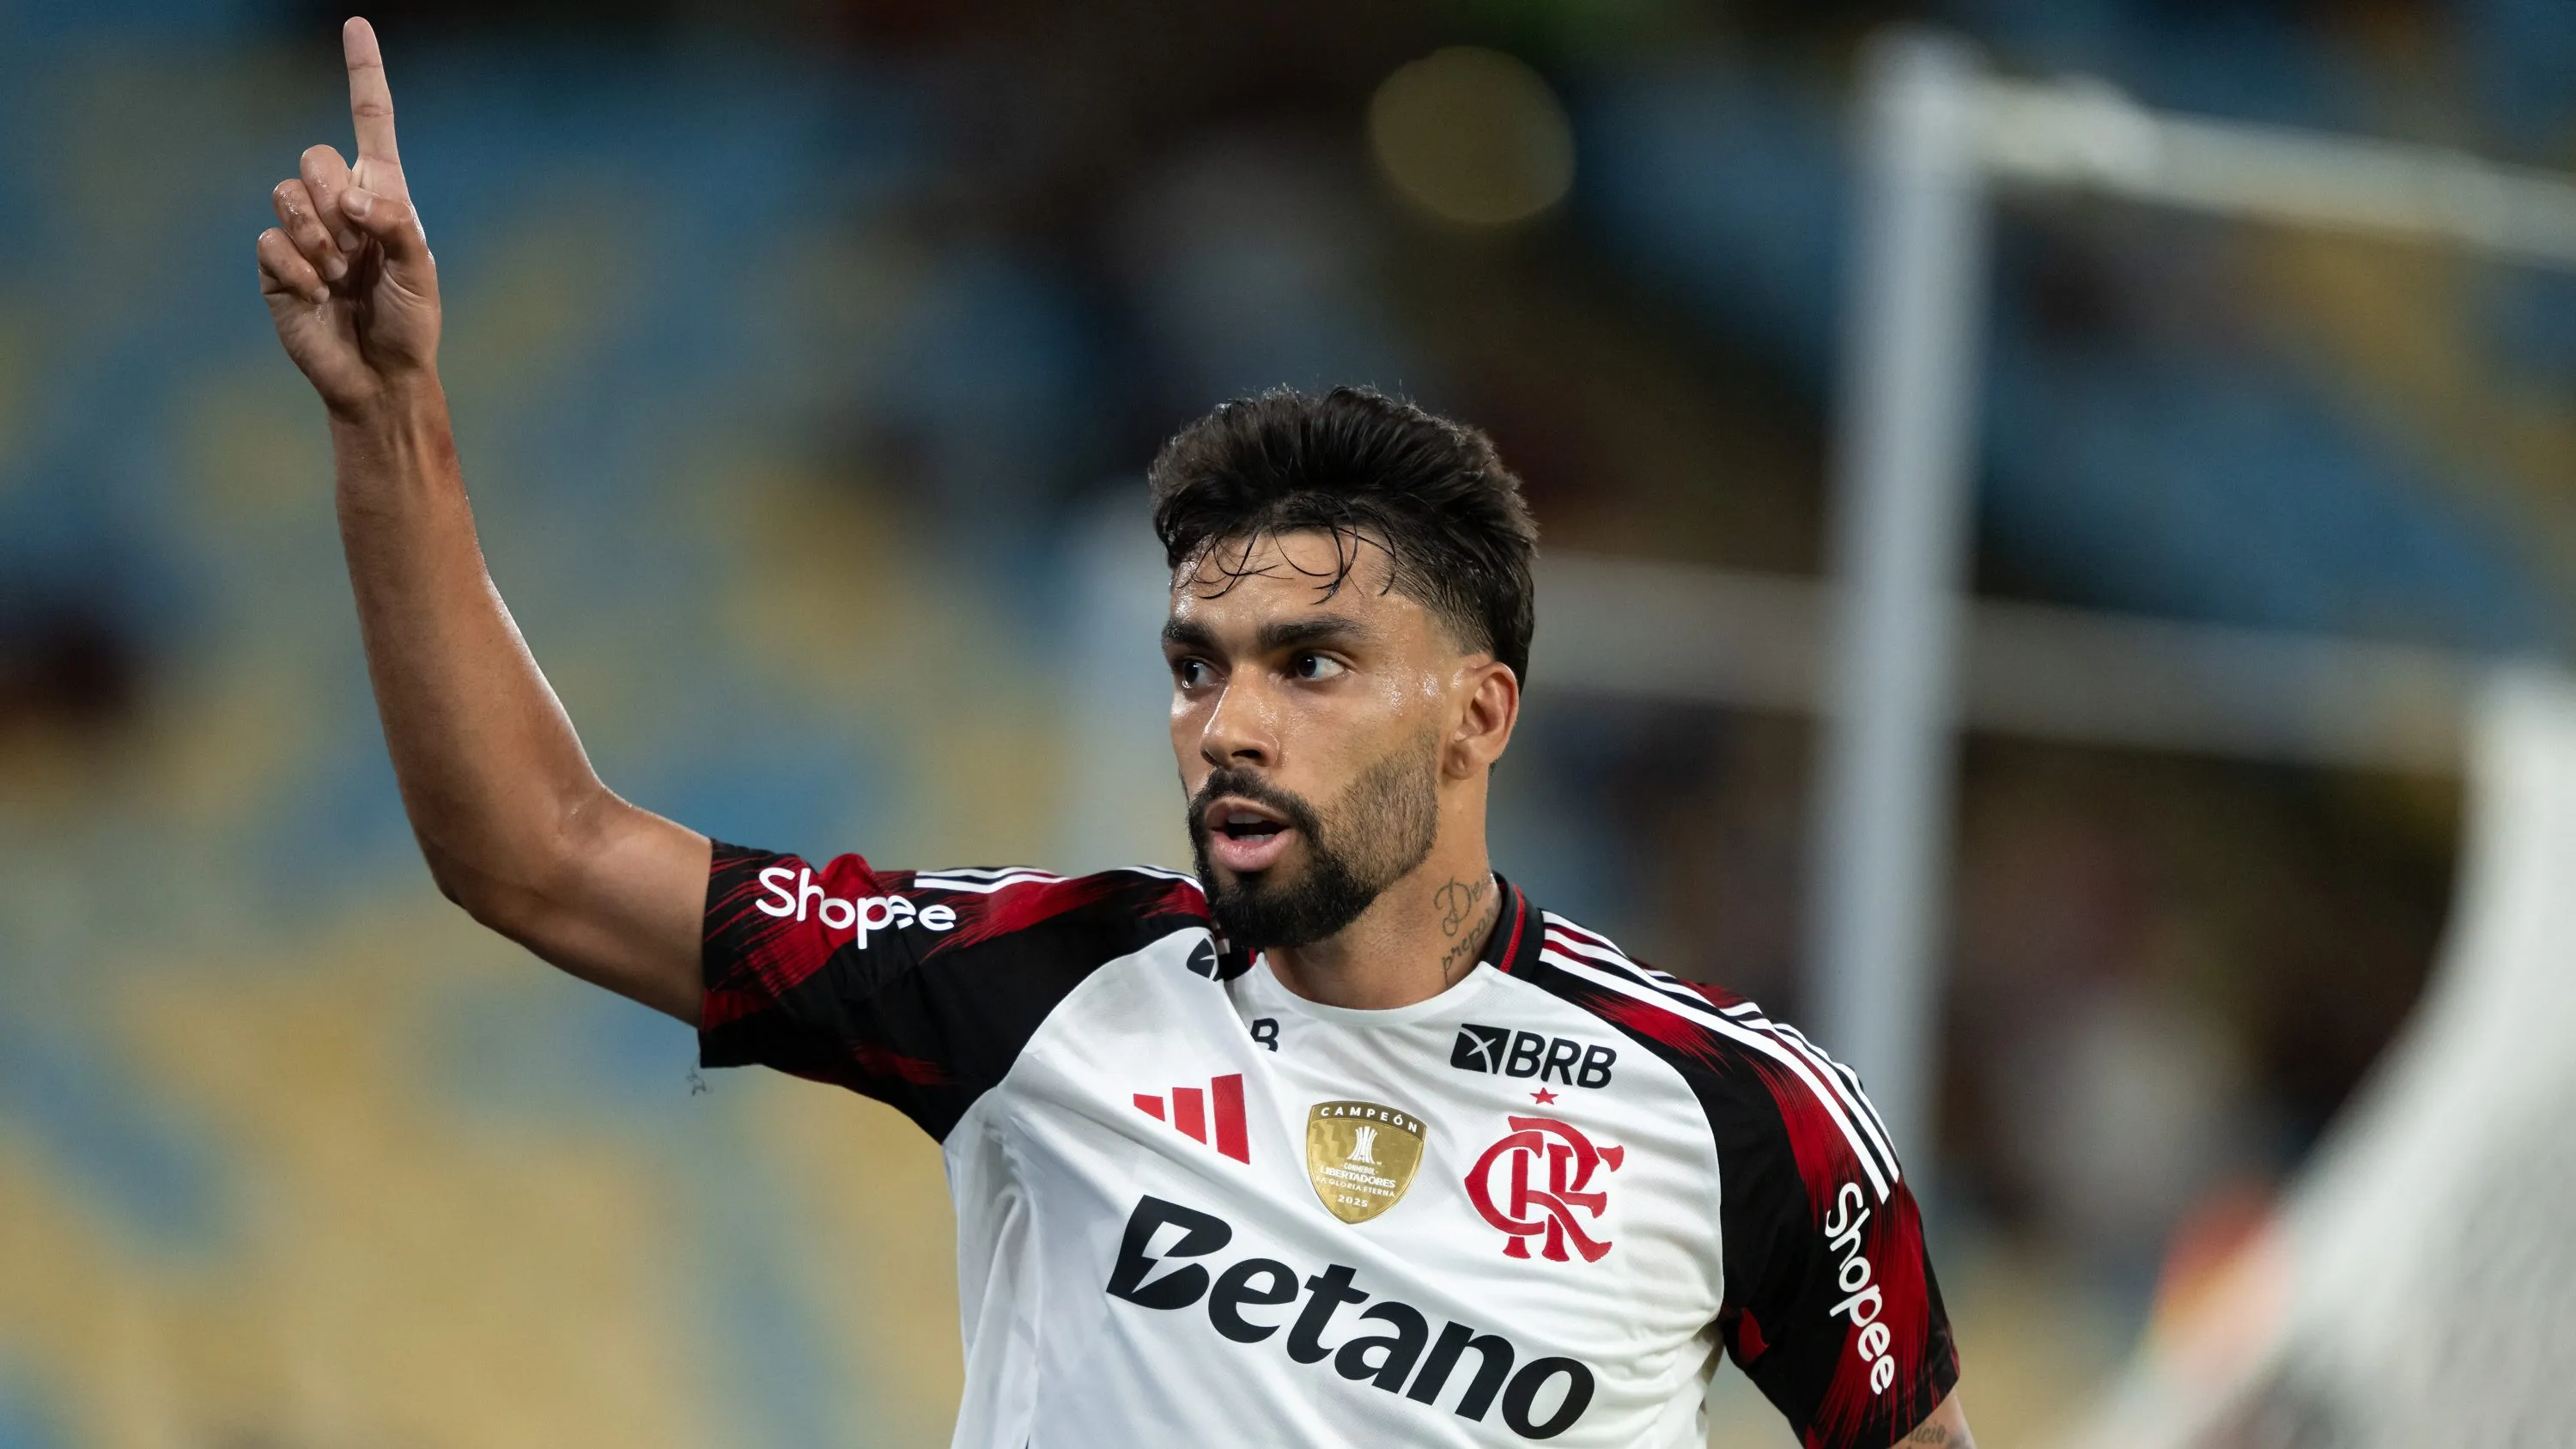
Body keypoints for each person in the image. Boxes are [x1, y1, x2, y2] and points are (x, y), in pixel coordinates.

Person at [254, 18, 1971, 1447]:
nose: (1227, 722)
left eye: (1307, 665)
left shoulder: (1745, 1114)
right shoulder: (1043, 983)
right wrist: (392, 419)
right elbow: (535, 854)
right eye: (1195, 663)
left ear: (1478, 711)